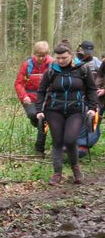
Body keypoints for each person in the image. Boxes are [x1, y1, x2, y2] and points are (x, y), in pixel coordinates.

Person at [35, 42, 98, 185]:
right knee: (57, 141)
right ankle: (57, 174)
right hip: (53, 109)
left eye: (64, 58)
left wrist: (92, 107)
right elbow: (41, 90)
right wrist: (39, 110)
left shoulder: (83, 69)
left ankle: (76, 168)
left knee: (70, 140)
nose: (60, 61)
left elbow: (91, 89)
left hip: (75, 110)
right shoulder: (51, 70)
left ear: (71, 55)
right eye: (58, 58)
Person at [14, 41, 53, 154]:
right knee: (33, 115)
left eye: (44, 55)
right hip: (30, 96)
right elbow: (18, 83)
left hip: (46, 96)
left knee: (43, 120)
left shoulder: (52, 64)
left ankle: (39, 149)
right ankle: (38, 124)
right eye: (39, 55)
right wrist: (24, 97)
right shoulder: (27, 65)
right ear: (34, 54)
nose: (41, 58)